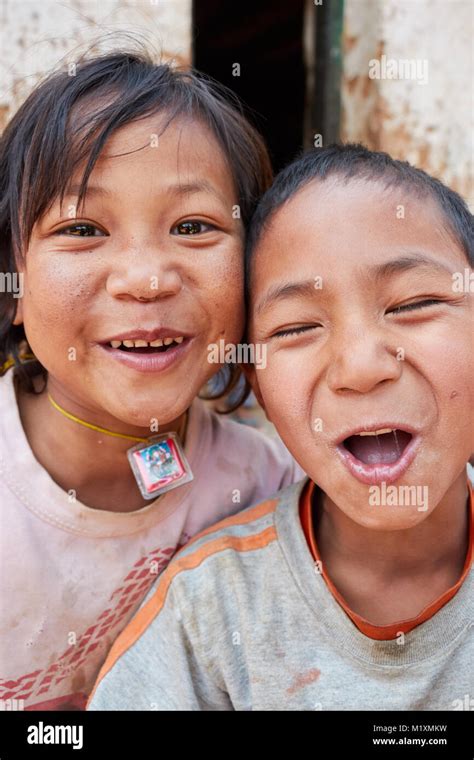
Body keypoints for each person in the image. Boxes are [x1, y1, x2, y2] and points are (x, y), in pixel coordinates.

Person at [88, 144, 473, 710]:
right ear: (257, 385)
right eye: (294, 329)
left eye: (414, 303)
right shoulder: (212, 608)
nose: (361, 368)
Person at [0, 49, 302, 710]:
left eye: (193, 227)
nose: (146, 278)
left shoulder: (266, 489)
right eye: (82, 228)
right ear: (12, 280)